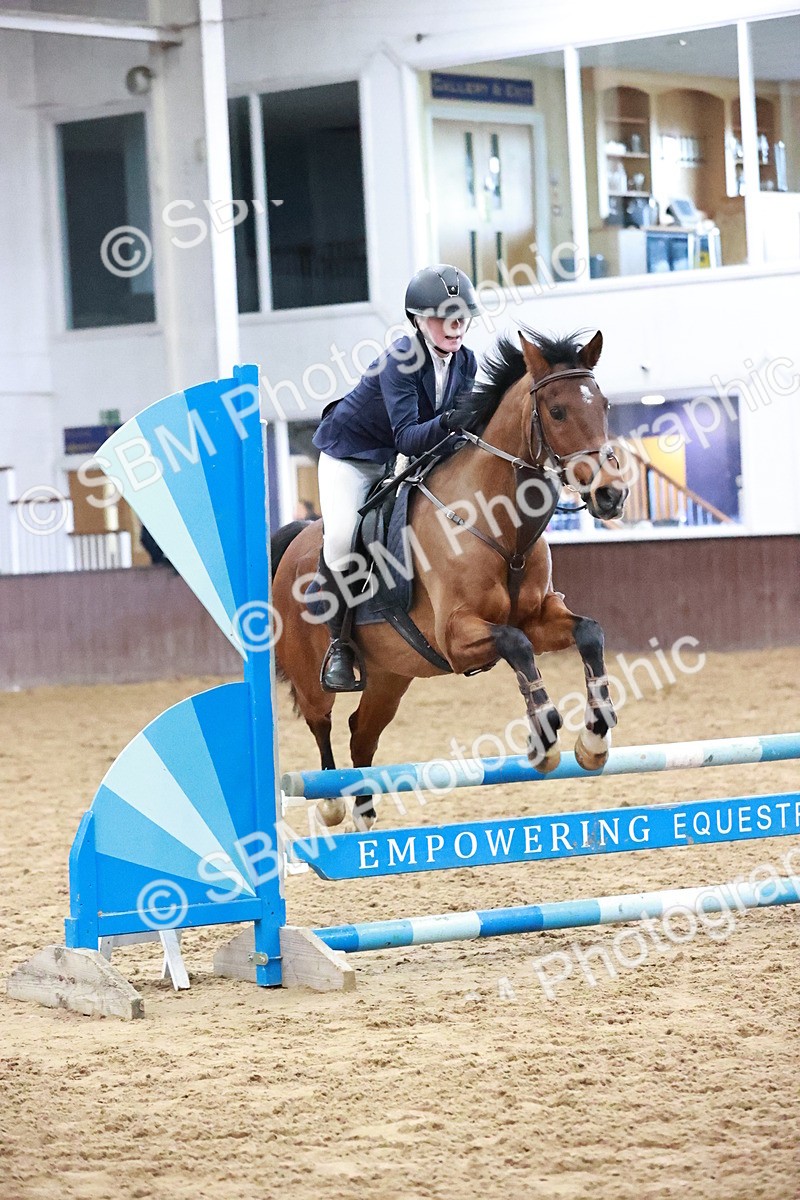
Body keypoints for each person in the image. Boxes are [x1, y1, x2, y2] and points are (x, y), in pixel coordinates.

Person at [312, 263, 479, 692]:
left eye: (463, 316)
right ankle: (339, 645)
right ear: (420, 321)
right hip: (350, 456)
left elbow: (448, 439)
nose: (457, 325)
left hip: (396, 460)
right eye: (446, 316)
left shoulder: (467, 362)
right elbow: (408, 436)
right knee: (342, 536)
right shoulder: (400, 360)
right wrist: (454, 420)